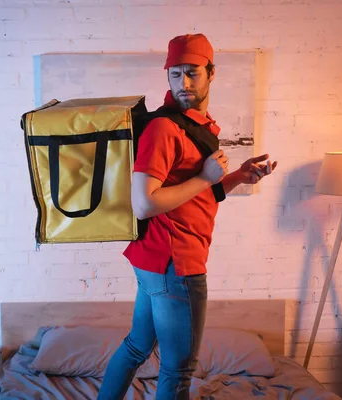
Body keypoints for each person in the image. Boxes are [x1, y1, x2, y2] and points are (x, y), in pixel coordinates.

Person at [97, 33, 278, 400]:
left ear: (211, 73)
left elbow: (192, 196)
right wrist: (203, 177)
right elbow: (144, 204)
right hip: (176, 262)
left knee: (136, 347)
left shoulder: (193, 124)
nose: (184, 83)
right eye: (176, 74)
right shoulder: (165, 127)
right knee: (178, 370)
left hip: (154, 259)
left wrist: (236, 177)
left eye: (192, 73)